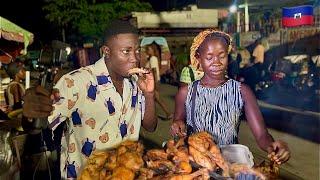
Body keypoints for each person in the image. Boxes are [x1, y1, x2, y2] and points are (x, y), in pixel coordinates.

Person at [22, 20, 157, 179]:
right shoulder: (76, 82)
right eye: (126, 51)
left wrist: (148, 94)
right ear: (106, 51)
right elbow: (37, 126)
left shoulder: (135, 82)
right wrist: (30, 115)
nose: (135, 58)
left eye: (137, 50)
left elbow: (150, 126)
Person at [170, 29, 290, 165]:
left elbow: (261, 135)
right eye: (209, 57)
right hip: (198, 163)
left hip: (230, 164)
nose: (216, 62)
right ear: (198, 58)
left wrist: (272, 147)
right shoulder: (186, 92)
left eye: (222, 56)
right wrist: (178, 125)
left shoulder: (242, 91)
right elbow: (178, 120)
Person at [145, 43, 172, 119]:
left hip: (153, 81)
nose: (147, 51)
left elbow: (154, 71)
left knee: (157, 99)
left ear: (152, 50)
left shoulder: (152, 59)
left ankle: (168, 113)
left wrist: (154, 83)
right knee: (154, 99)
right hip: (154, 81)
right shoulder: (153, 58)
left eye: (148, 49)